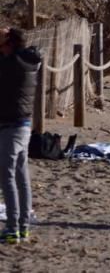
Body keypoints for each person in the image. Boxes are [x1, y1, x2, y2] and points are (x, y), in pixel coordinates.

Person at [0, 28, 40, 245]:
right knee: (21, 176)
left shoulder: (12, 64)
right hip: (21, 125)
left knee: (7, 176)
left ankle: (12, 227)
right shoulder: (26, 61)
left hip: (11, 126)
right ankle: (22, 226)